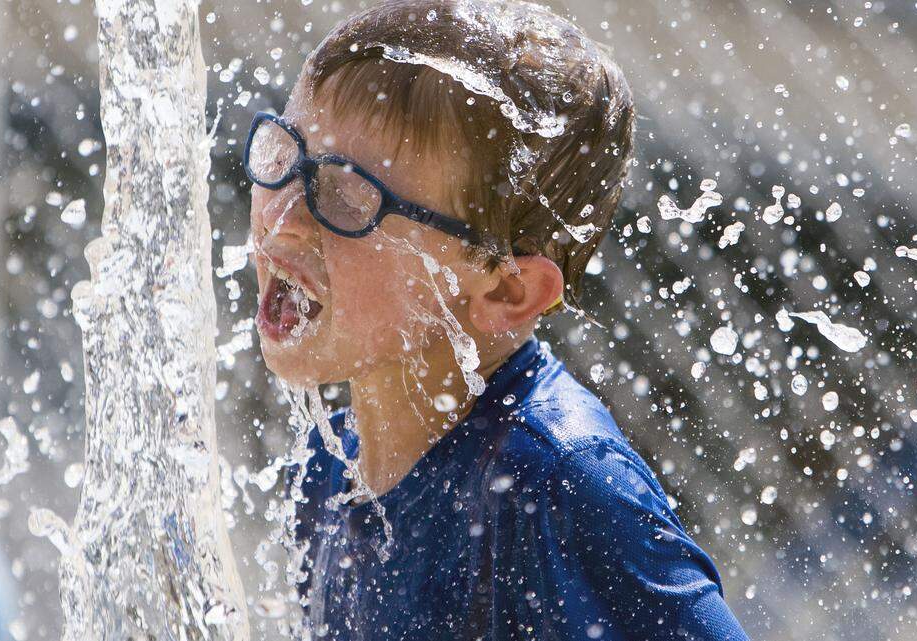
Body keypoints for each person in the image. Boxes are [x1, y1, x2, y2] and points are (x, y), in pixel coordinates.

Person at [245, 1, 749, 638]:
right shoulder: (329, 464)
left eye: (348, 195)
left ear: (508, 290)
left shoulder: (561, 482)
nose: (284, 224)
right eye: (284, 154)